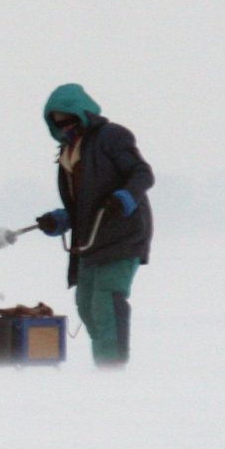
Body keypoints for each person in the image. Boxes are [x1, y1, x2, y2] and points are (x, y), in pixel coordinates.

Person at [36, 84, 154, 367]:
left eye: (69, 118)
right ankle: (105, 360)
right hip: (89, 240)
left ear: (83, 112)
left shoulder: (112, 137)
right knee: (86, 305)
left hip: (122, 234)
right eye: (57, 121)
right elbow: (81, 204)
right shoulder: (67, 152)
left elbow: (142, 174)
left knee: (106, 304)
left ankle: (111, 370)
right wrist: (61, 219)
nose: (64, 125)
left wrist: (124, 198)